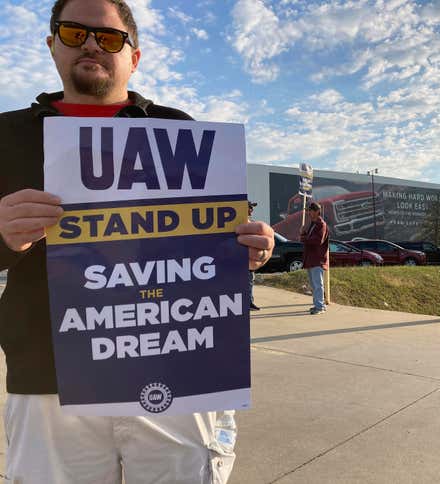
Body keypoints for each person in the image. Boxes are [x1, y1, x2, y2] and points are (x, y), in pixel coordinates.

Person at [0, 1, 274, 483]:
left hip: (177, 368)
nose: (89, 44)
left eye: (108, 38)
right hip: (50, 380)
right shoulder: (6, 135)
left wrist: (250, 248)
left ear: (134, 57)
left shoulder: (179, 130)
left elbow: (213, 242)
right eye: (73, 32)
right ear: (51, 44)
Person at [300, 202, 329, 315]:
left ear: (317, 211)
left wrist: (304, 238)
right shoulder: (313, 224)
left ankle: (320, 306)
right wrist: (303, 234)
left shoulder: (321, 225)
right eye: (308, 210)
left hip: (317, 259)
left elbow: (318, 240)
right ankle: (317, 304)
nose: (308, 212)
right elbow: (307, 238)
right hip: (311, 258)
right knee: (314, 284)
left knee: (318, 284)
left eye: (311, 210)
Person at [248, 201, 261, 311]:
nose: (252, 209)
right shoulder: (241, 222)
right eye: (250, 207)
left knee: (250, 280)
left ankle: (250, 302)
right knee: (247, 280)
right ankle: (248, 303)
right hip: (243, 257)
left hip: (250, 258)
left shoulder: (251, 222)